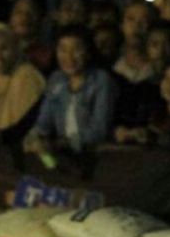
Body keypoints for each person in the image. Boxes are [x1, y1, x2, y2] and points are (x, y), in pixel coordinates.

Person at [26, 25, 115, 156]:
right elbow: (43, 123)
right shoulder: (56, 79)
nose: (69, 56)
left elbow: (99, 130)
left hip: (95, 156)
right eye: (62, 49)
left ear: (88, 52)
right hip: (63, 155)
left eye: (76, 49)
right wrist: (34, 138)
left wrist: (65, 142)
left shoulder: (100, 80)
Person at [8, 0, 52, 72]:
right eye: (18, 12)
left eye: (31, 12)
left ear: (42, 19)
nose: (24, 17)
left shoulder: (48, 56)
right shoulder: (0, 52)